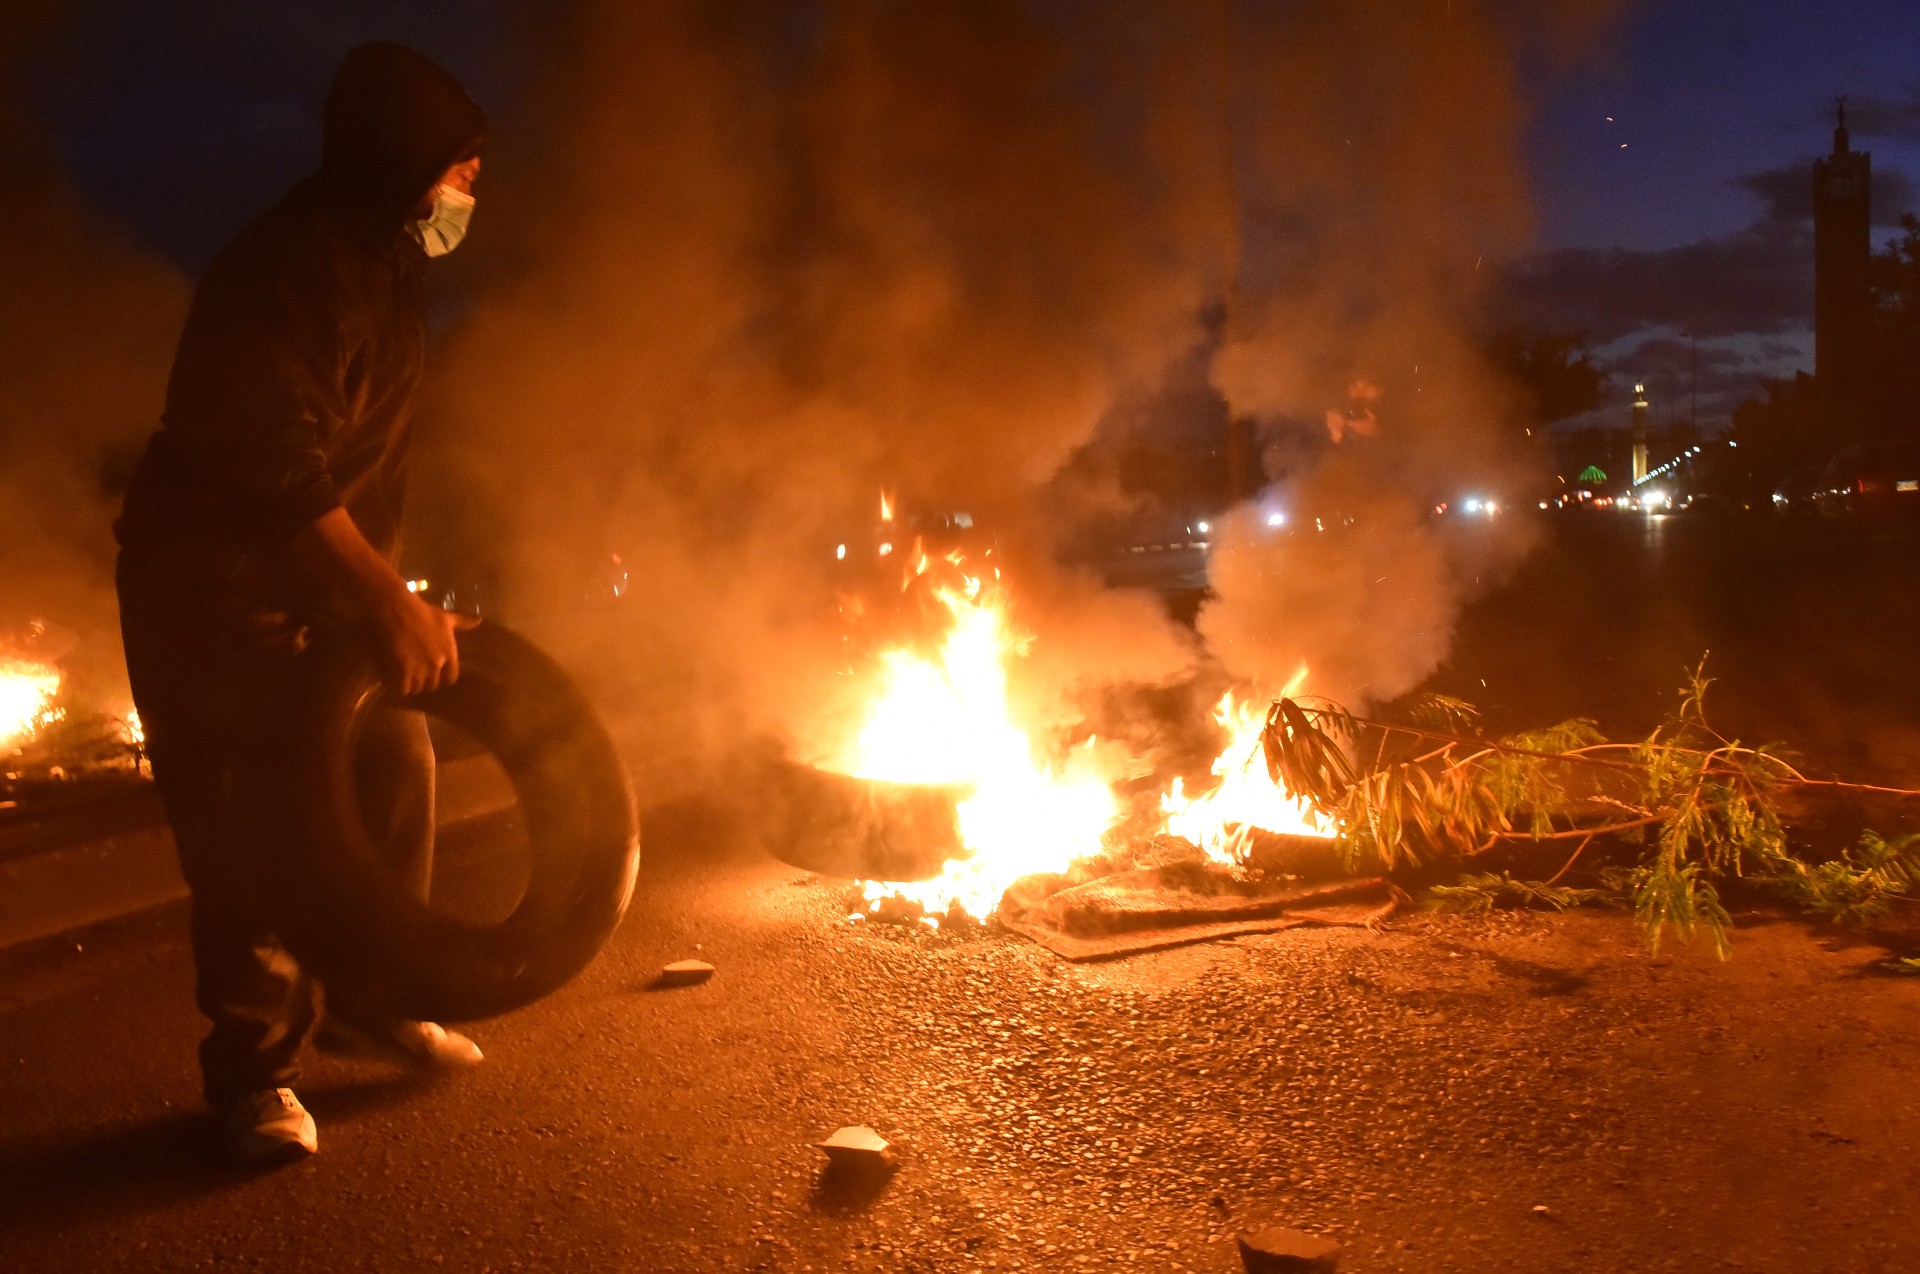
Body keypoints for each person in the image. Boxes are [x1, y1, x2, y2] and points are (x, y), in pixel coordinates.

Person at [116, 43, 491, 1164]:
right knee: (249, 829)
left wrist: (393, 600)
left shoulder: (388, 257)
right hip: (209, 594)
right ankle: (252, 1079)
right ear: (403, 164)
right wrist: (383, 597)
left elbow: (356, 459)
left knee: (393, 762)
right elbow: (275, 472)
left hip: (312, 587)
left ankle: (377, 997)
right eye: (461, 172)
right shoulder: (289, 272)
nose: (472, 195)